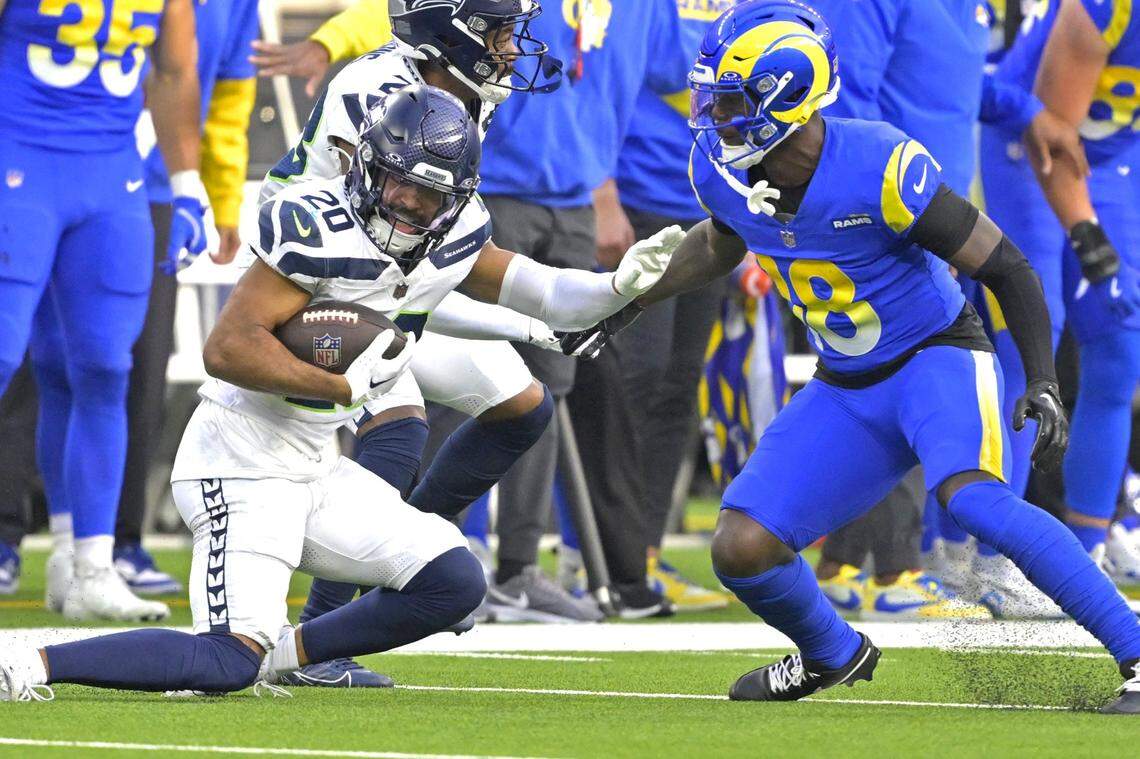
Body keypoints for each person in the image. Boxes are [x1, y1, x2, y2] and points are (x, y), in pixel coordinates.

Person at [0, 85, 681, 703]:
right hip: (240, 463)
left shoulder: (454, 236)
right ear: (366, 166)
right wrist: (336, 384)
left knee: (454, 581)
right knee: (224, 660)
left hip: (316, 468)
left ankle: (288, 655)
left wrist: (615, 287)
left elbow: (546, 291)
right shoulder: (317, 225)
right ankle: (28, 660)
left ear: (455, 201)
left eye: (428, 196)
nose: (407, 204)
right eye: (398, 181)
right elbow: (227, 347)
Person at [631, 0, 1140, 711]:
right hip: (846, 386)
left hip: (935, 357)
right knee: (741, 545)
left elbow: (1006, 266)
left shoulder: (878, 162)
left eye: (732, 101)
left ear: (786, 97)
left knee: (977, 501)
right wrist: (627, 299)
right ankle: (830, 653)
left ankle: (1135, 648)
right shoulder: (723, 172)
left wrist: (1043, 379)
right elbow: (722, 238)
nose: (714, 116)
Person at [256, 0, 606, 686]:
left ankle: (412, 558)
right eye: (499, 32)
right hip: (314, 286)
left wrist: (575, 307)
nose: (512, 48)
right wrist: (532, 323)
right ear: (455, 30)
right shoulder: (380, 95)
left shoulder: (458, 90)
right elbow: (400, 280)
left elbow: (429, 265)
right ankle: (320, 639)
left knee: (524, 406)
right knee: (398, 427)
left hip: (392, 279)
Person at [0, 0, 206, 621]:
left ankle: (91, 566)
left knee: (104, 368)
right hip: (17, 159)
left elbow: (174, 70)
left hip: (112, 178)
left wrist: (188, 184)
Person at [110, 0, 262, 598]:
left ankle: (119, 542)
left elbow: (226, 98)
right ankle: (7, 535)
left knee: (136, 372)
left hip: (156, 191)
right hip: (47, 173)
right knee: (21, 361)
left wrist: (217, 196)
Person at [1031, 0, 1140, 586]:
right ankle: (1081, 547)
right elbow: (1050, 131)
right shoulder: (1109, 7)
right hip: (1066, 160)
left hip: (1127, 161)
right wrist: (1088, 237)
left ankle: (1104, 534)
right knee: (1114, 352)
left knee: (1120, 359)